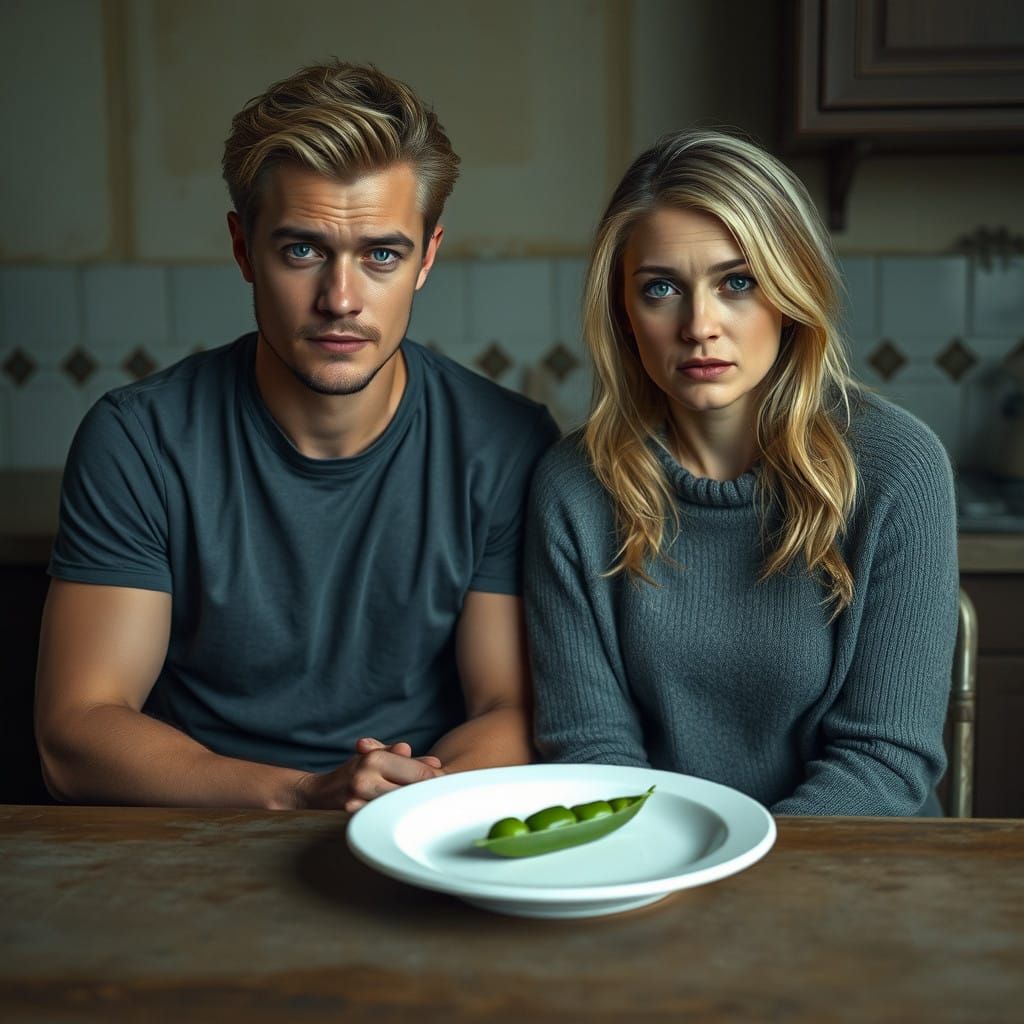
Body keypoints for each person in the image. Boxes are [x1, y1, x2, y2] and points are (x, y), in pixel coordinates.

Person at [35, 61, 559, 812]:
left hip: (426, 830)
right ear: (244, 250)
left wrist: (396, 802)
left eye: (381, 253)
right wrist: (309, 793)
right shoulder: (138, 442)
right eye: (302, 250)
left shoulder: (505, 444)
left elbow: (511, 712)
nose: (340, 300)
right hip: (200, 838)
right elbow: (76, 733)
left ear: (427, 257)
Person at [525, 129, 958, 816]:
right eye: (661, 288)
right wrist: (680, 873)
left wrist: (741, 883)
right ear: (623, 312)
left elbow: (885, 760)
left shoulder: (898, 468)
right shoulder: (573, 486)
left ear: (790, 294)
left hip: (850, 866)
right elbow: (591, 750)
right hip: (654, 864)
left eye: (738, 282)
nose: (700, 324)